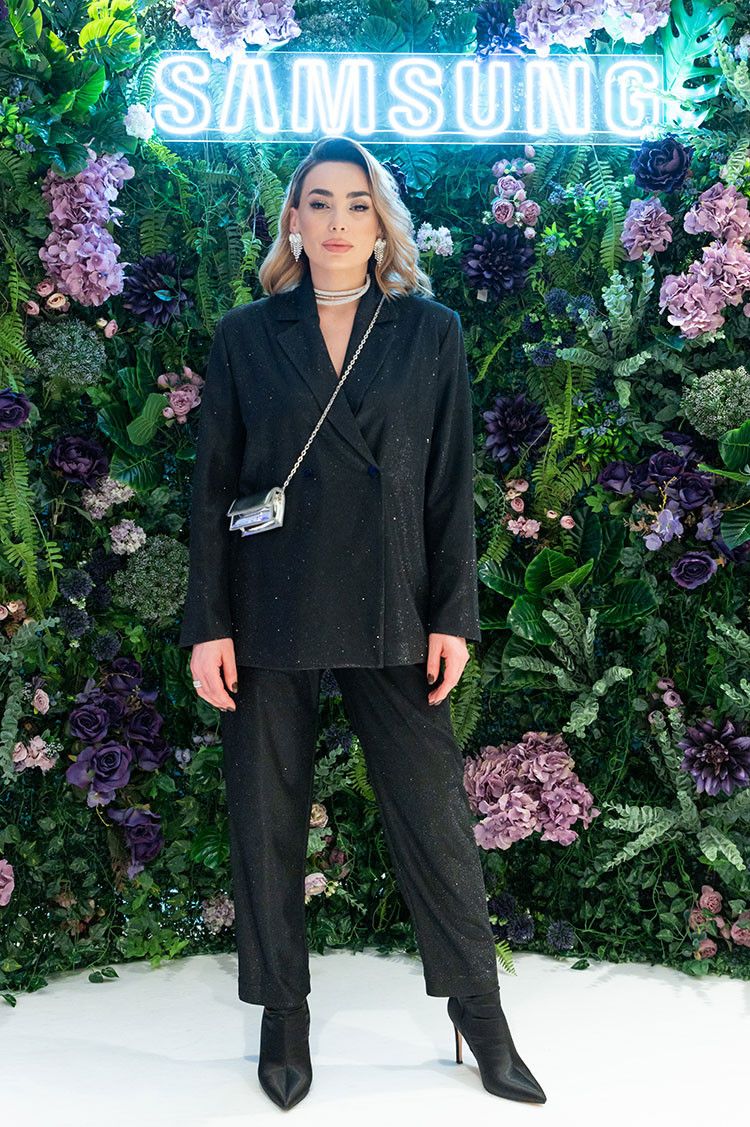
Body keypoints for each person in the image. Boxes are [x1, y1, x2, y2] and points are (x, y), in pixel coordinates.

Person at [179, 135, 546, 1110]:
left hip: (393, 599)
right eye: (319, 202)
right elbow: (212, 487)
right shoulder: (247, 334)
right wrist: (208, 623)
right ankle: (283, 1013)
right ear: (293, 221)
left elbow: (451, 486)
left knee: (435, 818)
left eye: (355, 203)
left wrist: (453, 615)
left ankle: (480, 1013)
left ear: (380, 220)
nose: (337, 221)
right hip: (269, 601)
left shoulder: (429, 331)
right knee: (266, 817)